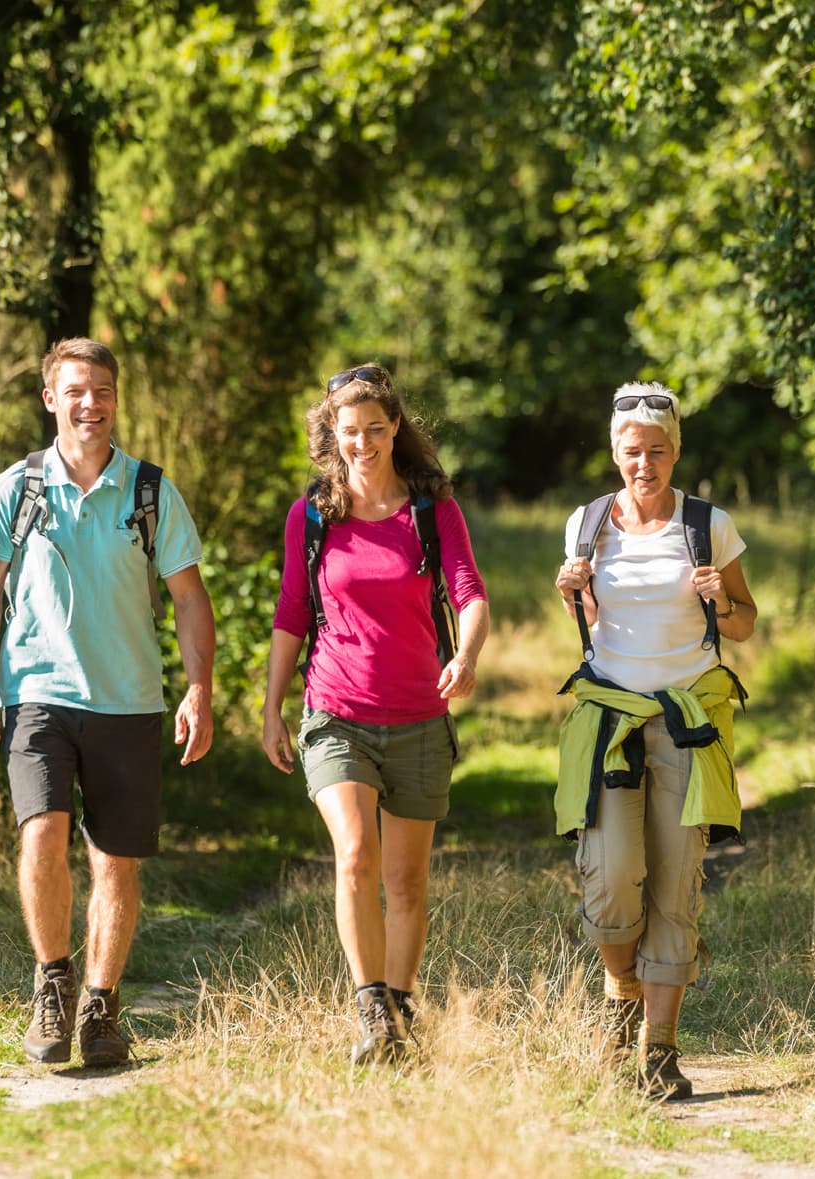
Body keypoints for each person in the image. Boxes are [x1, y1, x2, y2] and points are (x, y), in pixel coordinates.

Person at [0, 337, 216, 1069]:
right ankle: (53, 983)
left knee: (116, 865)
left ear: (115, 399)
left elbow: (191, 600)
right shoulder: (16, 489)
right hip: (35, 694)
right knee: (41, 835)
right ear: (51, 398)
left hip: (128, 702)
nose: (90, 403)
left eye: (101, 390)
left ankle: (101, 1006)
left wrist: (199, 689)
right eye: (75, 390)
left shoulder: (150, 492)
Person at [260, 364, 490, 1065]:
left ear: (396, 429)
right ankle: (371, 1008)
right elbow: (292, 613)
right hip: (336, 712)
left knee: (406, 880)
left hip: (419, 715)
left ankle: (400, 1003)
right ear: (332, 433)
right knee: (355, 853)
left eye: (374, 430)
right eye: (347, 431)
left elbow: (469, 593)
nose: (361, 443)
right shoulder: (313, 515)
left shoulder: (431, 510)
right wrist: (272, 706)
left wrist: (468, 655)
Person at [552, 382, 757, 1101]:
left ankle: (660, 1052)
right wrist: (571, 587)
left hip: (687, 716)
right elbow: (592, 618)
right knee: (610, 879)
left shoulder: (708, 524)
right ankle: (620, 993)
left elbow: (744, 624)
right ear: (615, 451)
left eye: (658, 452)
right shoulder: (586, 524)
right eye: (633, 452)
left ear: (676, 452)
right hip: (610, 715)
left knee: (675, 884)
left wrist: (719, 598)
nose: (645, 464)